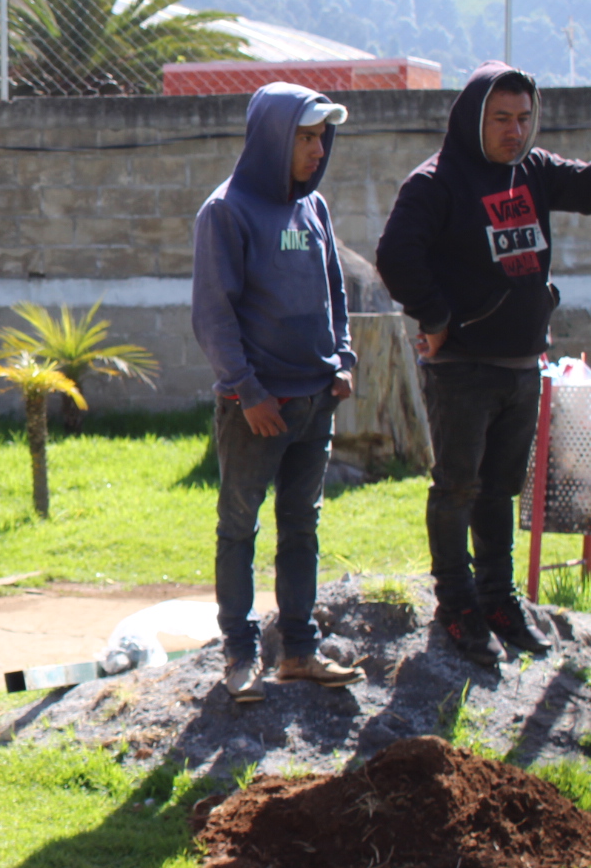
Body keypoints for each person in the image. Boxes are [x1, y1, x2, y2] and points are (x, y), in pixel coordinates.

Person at [376, 62, 586, 666]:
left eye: (524, 119)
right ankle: (458, 605)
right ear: (474, 118)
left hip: (523, 366)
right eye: (501, 119)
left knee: (501, 490)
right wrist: (437, 319)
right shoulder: (436, 183)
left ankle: (499, 600)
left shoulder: (536, 171)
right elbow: (395, 255)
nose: (515, 132)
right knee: (457, 489)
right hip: (464, 369)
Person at [191, 83, 365, 702]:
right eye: (306, 136)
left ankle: (298, 649)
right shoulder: (226, 211)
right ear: (273, 137)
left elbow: (334, 293)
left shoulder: (312, 208)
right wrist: (249, 391)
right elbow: (214, 316)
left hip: (317, 399)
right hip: (257, 409)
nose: (318, 150)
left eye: (323, 137)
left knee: (302, 526)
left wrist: (342, 360)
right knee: (239, 526)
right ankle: (239, 655)